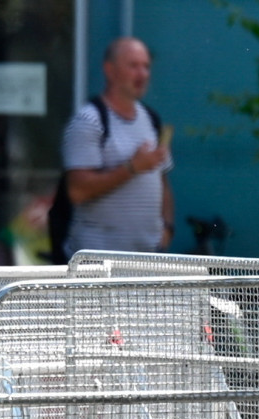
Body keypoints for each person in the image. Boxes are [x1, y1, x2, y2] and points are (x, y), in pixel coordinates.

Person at [61, 36, 174, 256]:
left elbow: (162, 181)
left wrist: (168, 228)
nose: (143, 75)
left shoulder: (151, 119)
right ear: (110, 70)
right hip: (97, 264)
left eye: (146, 67)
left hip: (146, 261)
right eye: (133, 66)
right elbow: (77, 191)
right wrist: (132, 167)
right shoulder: (89, 121)